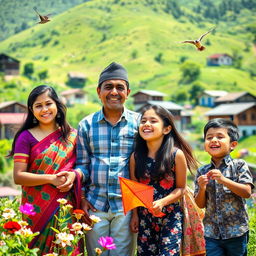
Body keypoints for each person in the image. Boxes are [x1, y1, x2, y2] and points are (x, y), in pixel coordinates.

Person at [75, 62, 139, 256]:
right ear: (98, 91)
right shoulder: (86, 124)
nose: (114, 92)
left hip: (126, 208)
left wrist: (137, 208)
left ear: (127, 92)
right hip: (95, 206)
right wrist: (83, 199)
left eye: (120, 87)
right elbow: (82, 164)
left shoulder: (140, 123)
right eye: (108, 87)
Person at [10, 85, 82, 255]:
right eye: (38, 105)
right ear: (31, 110)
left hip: (66, 209)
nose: (44, 109)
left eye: (48, 103)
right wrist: (51, 179)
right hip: (35, 211)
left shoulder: (72, 136)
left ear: (57, 105)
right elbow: (18, 176)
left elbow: (82, 168)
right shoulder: (25, 137)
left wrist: (74, 175)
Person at [129, 104, 198, 256]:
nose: (146, 124)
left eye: (153, 121)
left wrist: (162, 202)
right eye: (143, 121)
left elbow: (181, 189)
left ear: (166, 129)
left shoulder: (176, 155)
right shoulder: (135, 157)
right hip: (145, 218)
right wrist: (134, 215)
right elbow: (134, 190)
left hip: (171, 216)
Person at [194, 118, 254, 256]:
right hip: (211, 234)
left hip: (236, 233)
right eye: (209, 137)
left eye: (220, 137)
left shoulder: (239, 165)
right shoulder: (202, 171)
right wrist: (202, 187)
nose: (214, 140)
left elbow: (247, 192)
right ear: (205, 144)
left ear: (232, 144)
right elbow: (200, 204)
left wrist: (224, 180)